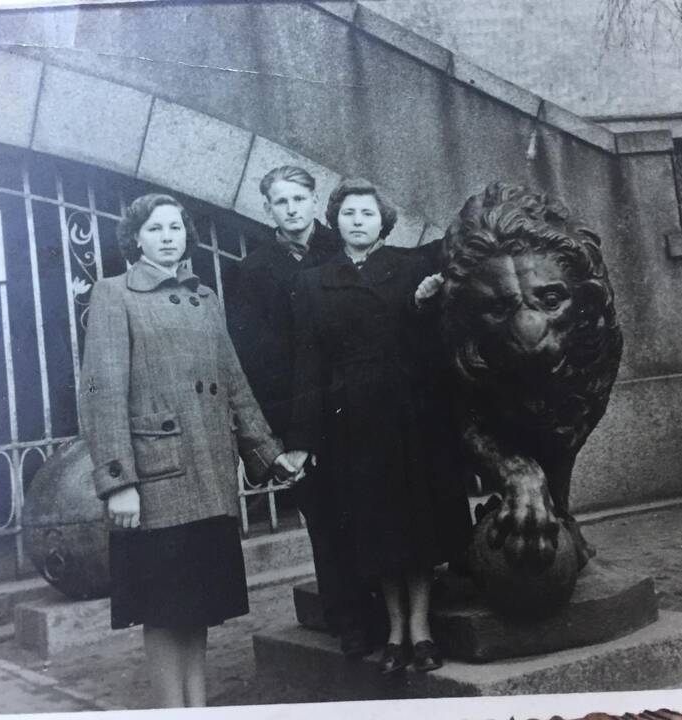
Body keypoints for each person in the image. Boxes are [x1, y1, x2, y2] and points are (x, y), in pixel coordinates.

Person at [78, 193, 294, 708]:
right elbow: (101, 392)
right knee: (163, 608)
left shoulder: (205, 298)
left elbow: (234, 381)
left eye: (175, 227)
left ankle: (198, 706)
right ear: (135, 239)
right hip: (155, 481)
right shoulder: (114, 294)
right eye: (155, 229)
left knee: (197, 607)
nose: (168, 236)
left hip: (208, 474)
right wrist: (118, 482)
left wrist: (268, 452)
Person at [282, 179, 472, 674]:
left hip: (414, 418)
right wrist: (302, 440)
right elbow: (309, 365)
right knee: (380, 528)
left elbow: (435, 345)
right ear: (336, 221)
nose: (358, 220)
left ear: (383, 221)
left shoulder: (412, 268)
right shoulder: (314, 281)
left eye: (367, 213)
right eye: (348, 213)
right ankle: (394, 629)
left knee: (419, 525)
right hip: (356, 426)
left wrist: (424, 304)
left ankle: (422, 628)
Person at [226, 166, 377, 655]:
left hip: (361, 404)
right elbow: (259, 360)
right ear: (267, 209)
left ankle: (391, 609)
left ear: (315, 201)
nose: (291, 209)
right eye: (280, 202)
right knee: (327, 518)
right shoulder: (253, 271)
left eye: (299, 198)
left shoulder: (345, 246)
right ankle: (349, 619)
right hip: (305, 417)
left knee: (376, 508)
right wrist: (289, 437)